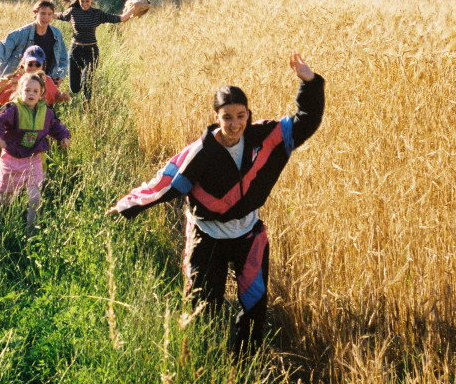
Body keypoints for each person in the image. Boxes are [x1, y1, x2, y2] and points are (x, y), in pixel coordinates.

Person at [107, 52, 324, 355]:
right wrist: (129, 204)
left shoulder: (265, 136)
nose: (235, 124)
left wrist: (309, 83)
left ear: (249, 113)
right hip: (207, 238)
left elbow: (306, 121)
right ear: (216, 117)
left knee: (254, 306)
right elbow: (166, 183)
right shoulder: (200, 153)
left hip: (248, 235)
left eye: (241, 116)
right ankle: (203, 363)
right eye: (227, 117)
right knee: (201, 306)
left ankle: (244, 366)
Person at [0, 71, 71, 226]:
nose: (31, 94)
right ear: (19, 91)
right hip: (10, 160)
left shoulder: (46, 112)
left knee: (35, 197)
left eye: (35, 91)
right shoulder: (12, 109)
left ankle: (31, 230)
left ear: (42, 93)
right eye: (27, 90)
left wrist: (64, 137)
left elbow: (56, 126)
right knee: (6, 201)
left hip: (32, 159)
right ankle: (8, 228)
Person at [56, 0, 132, 99]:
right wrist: (42, 13)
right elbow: (59, 15)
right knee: (74, 88)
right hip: (75, 51)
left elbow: (120, 18)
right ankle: (82, 81)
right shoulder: (73, 12)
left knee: (87, 83)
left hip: (91, 51)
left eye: (87, 1)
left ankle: (86, 108)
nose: (85, 4)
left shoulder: (97, 14)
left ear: (91, 0)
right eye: (82, 1)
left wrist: (133, 9)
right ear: (79, 0)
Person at [0, 0, 68, 81]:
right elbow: (4, 46)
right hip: (19, 80)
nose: (46, 17)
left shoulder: (56, 34)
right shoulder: (21, 33)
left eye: (49, 14)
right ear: (35, 14)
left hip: (44, 81)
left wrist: (59, 76)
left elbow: (63, 58)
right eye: (43, 13)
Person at [0, 46, 71, 107]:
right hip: (16, 120)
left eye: (38, 65)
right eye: (30, 64)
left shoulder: (47, 81)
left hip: (38, 121)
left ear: (43, 66)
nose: (33, 68)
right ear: (23, 63)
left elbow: (54, 96)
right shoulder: (14, 80)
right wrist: (0, 88)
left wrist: (61, 97)